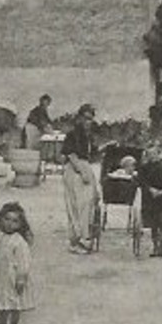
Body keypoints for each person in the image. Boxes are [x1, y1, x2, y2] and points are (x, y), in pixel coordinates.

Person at [61, 103, 100, 253]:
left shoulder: (87, 136)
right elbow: (71, 154)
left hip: (84, 167)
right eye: (85, 118)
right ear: (79, 118)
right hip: (75, 169)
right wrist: (81, 171)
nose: (88, 122)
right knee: (76, 205)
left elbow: (90, 154)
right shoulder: (73, 134)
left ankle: (84, 237)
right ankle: (76, 241)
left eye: (90, 119)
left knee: (87, 204)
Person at [138, 153, 162, 258]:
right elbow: (141, 181)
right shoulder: (144, 168)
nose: (153, 156)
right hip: (149, 198)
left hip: (161, 198)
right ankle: (156, 247)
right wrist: (150, 190)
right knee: (153, 223)